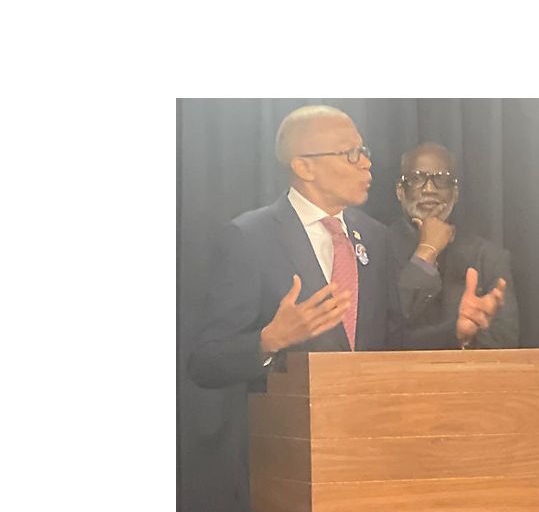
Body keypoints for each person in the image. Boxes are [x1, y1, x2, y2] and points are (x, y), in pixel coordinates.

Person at [188, 106, 506, 390]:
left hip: (365, 424)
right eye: (350, 153)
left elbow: (391, 343)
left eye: (363, 151)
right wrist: (269, 340)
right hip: (291, 430)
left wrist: (453, 331)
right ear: (304, 167)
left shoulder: (374, 237)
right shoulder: (250, 238)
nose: (366, 163)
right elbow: (205, 363)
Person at [389, 142, 519, 348]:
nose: (429, 189)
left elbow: (504, 340)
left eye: (441, 179)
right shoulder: (376, 247)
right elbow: (384, 331)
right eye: (417, 179)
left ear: (455, 192)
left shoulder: (488, 257)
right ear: (399, 191)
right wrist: (427, 252)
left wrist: (467, 334)